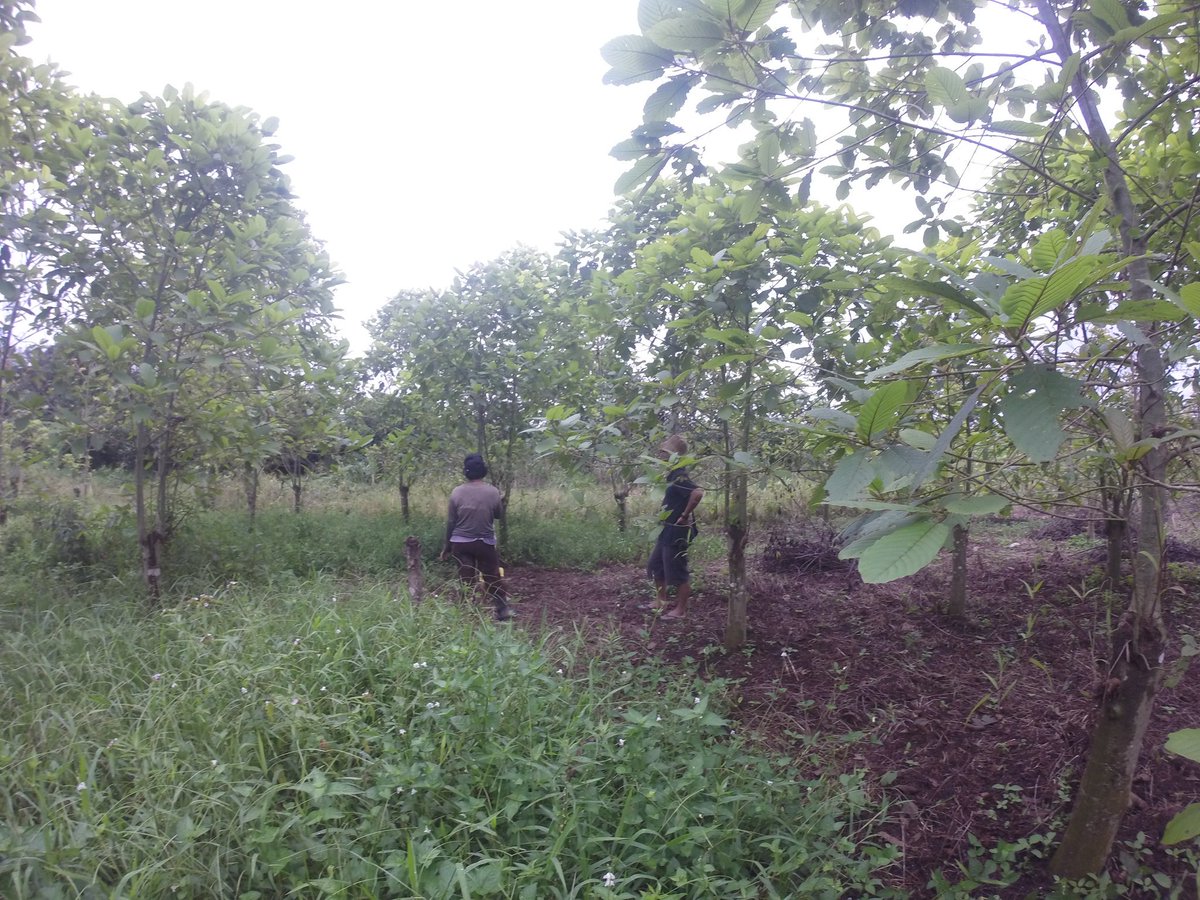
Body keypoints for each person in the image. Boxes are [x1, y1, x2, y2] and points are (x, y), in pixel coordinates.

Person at [440, 453, 512, 621]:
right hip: (484, 543)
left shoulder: (456, 492)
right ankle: (502, 610)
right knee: (492, 576)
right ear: (484, 471)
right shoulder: (493, 492)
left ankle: (468, 611)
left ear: (466, 472)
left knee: (466, 577)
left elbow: (451, 521)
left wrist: (447, 547)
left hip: (460, 543)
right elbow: (498, 515)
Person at [647, 435, 703, 619]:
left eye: (664, 451)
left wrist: (684, 515)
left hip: (677, 531)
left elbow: (697, 493)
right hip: (666, 528)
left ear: (674, 455)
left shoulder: (680, 475)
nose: (660, 454)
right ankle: (661, 600)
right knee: (656, 564)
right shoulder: (672, 473)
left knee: (677, 571)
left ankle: (681, 610)